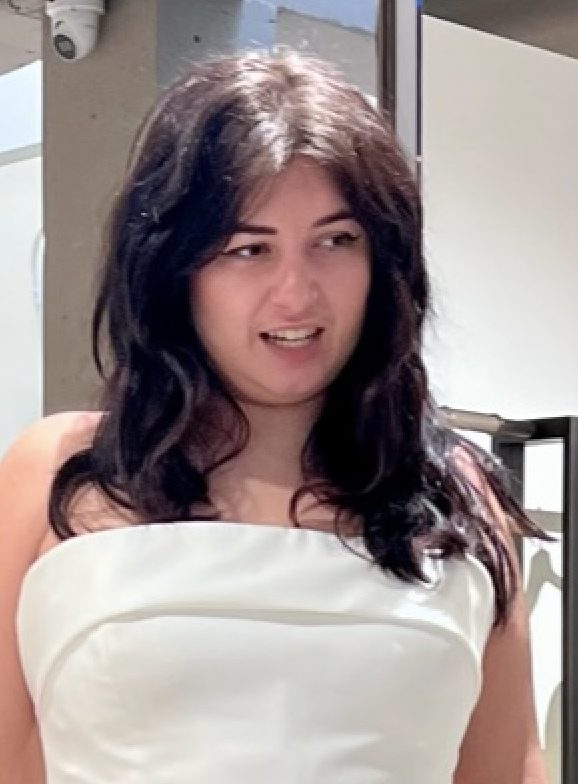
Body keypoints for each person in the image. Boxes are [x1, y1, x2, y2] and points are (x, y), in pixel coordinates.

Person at [0, 50, 549, 784]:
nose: (296, 294)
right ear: (173, 267)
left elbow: (507, 769)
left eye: (335, 241)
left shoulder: (455, 497)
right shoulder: (58, 475)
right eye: (248, 250)